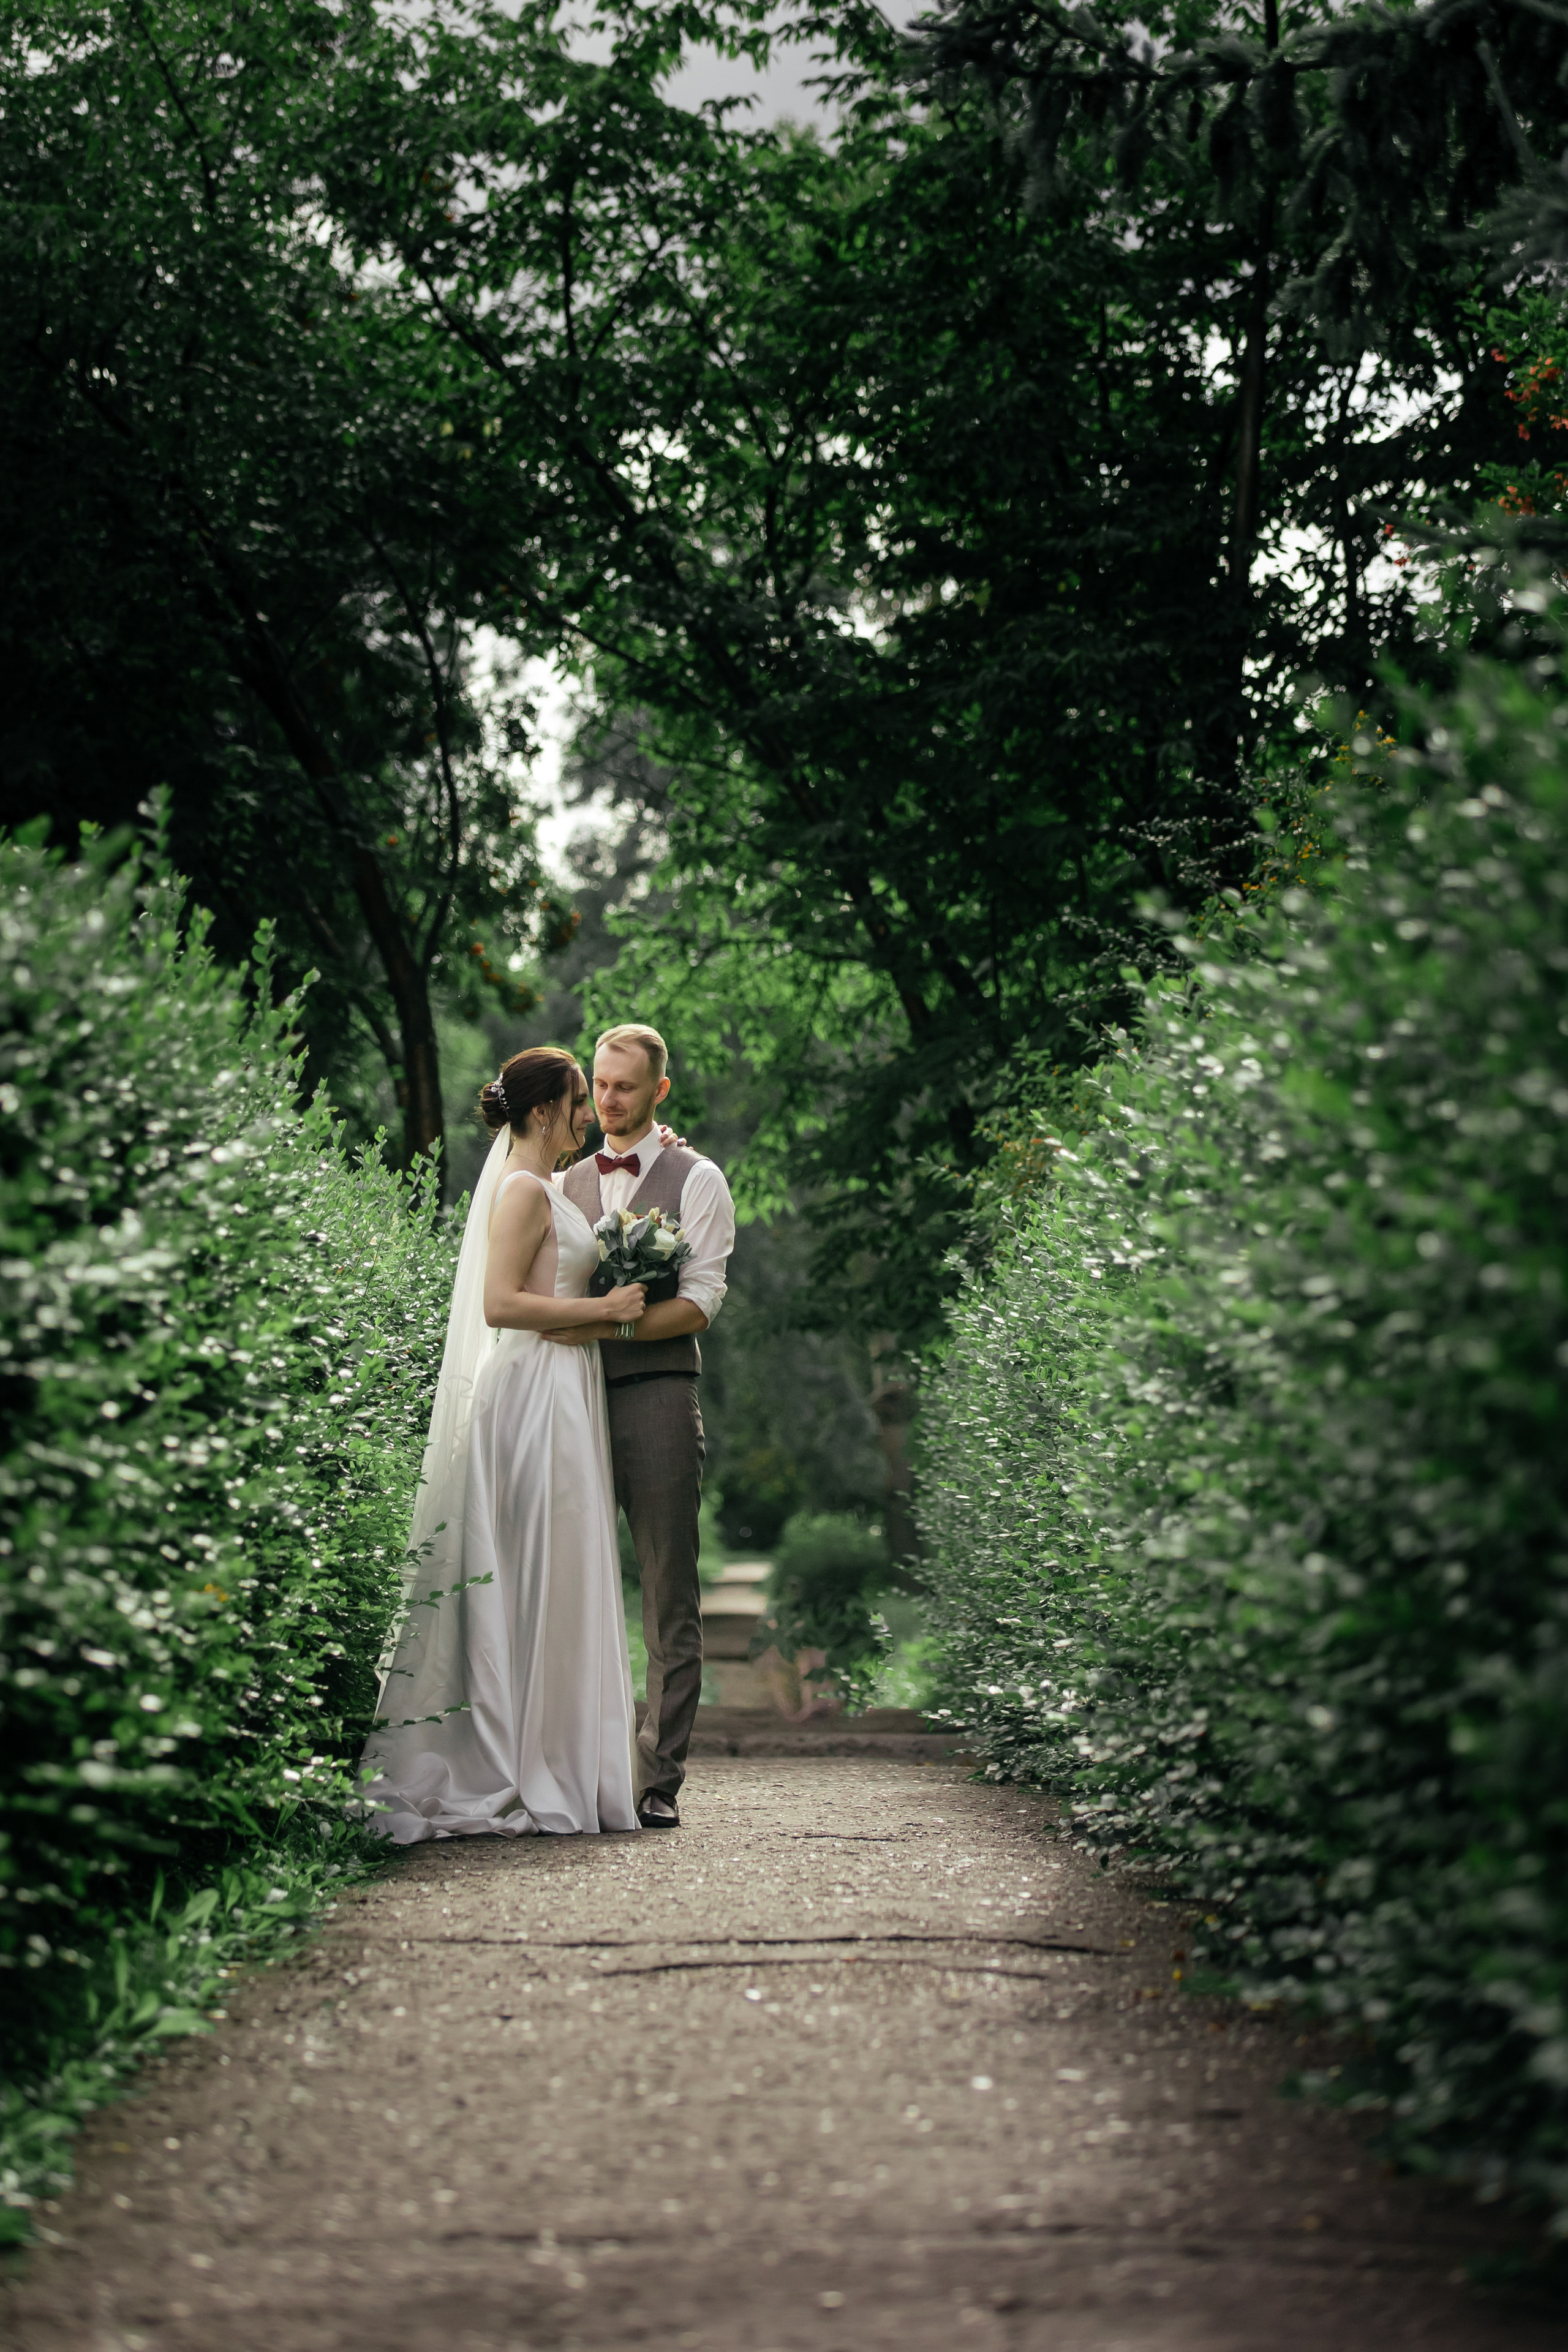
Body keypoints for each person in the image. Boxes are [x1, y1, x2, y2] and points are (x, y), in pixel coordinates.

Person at [359, 1049, 650, 1842]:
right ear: (540, 1113)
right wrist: (606, 1311)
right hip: (533, 1398)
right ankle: (521, 1757)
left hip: (563, 1391)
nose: (589, 1115)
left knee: (559, 1569)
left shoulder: (552, 1190)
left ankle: (557, 1752)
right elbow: (498, 1304)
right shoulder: (523, 1190)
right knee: (537, 1567)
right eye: (578, 1101)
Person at [551, 1023, 736, 1830]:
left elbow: (699, 1304)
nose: (608, 1098)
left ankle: (655, 1781)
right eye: (600, 1083)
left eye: (626, 1086)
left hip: (659, 1395)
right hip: (566, 1396)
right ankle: (571, 1772)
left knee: (667, 1594)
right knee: (566, 1585)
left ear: (660, 1091)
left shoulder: (699, 1179)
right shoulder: (561, 1185)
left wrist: (613, 1327)